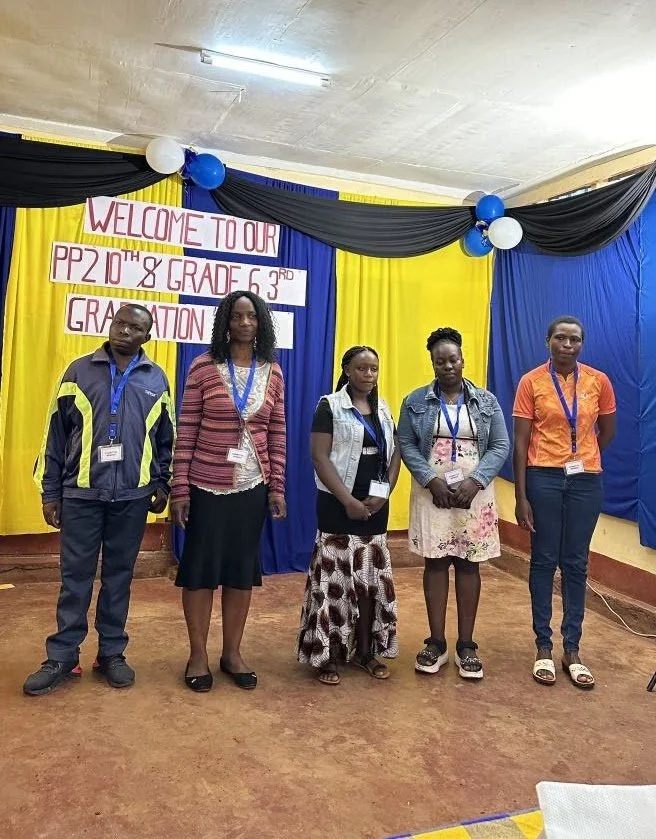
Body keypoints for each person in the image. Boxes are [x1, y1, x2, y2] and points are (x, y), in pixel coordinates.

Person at [24, 304, 175, 696]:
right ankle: (63, 655)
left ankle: (110, 653)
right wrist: (51, 491)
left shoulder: (156, 379)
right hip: (81, 495)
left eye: (135, 327)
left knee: (119, 577)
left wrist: (161, 485)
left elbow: (166, 440)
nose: (124, 330)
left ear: (147, 336)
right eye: (120, 322)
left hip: (132, 497)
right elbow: (54, 433)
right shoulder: (78, 370)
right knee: (74, 578)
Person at [170, 291, 286, 692]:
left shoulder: (272, 370)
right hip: (205, 484)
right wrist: (180, 488)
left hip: (252, 486)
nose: (244, 322)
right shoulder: (202, 367)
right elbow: (185, 430)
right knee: (200, 573)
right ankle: (198, 654)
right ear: (226, 321)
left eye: (251, 316)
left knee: (240, 572)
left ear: (260, 322)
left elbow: (277, 431)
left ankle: (232, 653)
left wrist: (277, 487)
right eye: (236, 316)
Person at [398, 327, 509, 680]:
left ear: (463, 360)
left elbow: (500, 445)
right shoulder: (415, 401)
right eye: (439, 361)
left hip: (474, 497)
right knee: (435, 564)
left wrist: (476, 481)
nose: (448, 365)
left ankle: (466, 646)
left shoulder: (487, 401)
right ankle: (436, 643)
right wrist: (431, 481)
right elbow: (406, 443)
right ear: (432, 364)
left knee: (468, 565)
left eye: (453, 359)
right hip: (433, 495)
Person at [513, 316, 616, 689]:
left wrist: (584, 459)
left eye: (574, 339)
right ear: (548, 341)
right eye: (560, 338)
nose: (567, 345)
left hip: (586, 479)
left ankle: (572, 649)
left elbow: (606, 430)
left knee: (575, 562)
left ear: (581, 344)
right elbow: (521, 442)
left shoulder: (598, 381)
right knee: (543, 560)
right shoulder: (531, 382)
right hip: (542, 477)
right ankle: (543, 646)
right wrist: (521, 495)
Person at [297, 346, 401, 686]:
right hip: (337, 507)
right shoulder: (329, 406)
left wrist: (382, 496)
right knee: (334, 582)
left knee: (370, 583)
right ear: (346, 369)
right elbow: (319, 458)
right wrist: (348, 501)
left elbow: (395, 453)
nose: (368, 375)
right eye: (361, 368)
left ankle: (365, 652)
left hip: (374, 509)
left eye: (373, 368)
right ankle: (327, 654)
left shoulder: (383, 408)